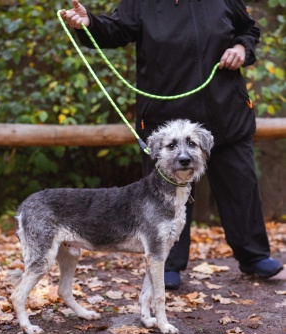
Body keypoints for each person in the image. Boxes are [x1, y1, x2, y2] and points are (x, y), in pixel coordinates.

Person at [60, 0, 283, 289]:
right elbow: (116, 30)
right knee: (163, 197)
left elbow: (248, 29)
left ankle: (254, 257)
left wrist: (242, 48)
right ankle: (168, 264)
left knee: (241, 186)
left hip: (226, 113)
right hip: (166, 122)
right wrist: (89, 22)